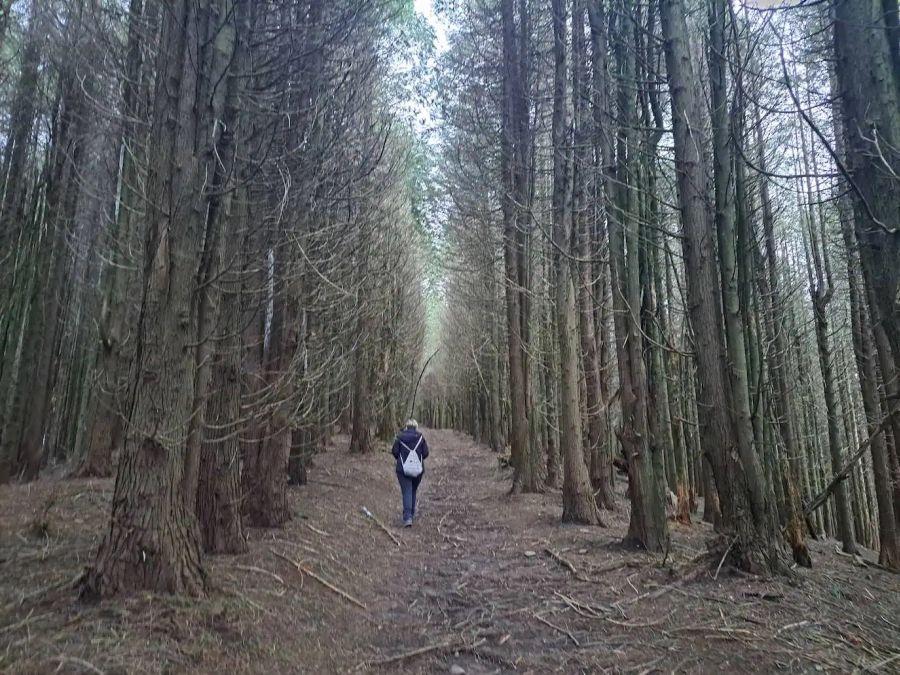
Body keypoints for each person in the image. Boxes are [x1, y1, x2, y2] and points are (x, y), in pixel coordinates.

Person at [391, 419, 429, 527]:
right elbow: (426, 453)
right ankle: (411, 514)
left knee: (407, 490)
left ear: (406, 427)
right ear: (416, 427)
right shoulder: (420, 438)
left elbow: (394, 451)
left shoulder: (400, 437)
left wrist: (402, 458)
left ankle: (408, 517)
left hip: (402, 469)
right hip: (418, 469)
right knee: (413, 490)